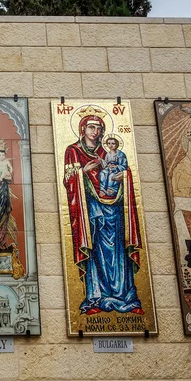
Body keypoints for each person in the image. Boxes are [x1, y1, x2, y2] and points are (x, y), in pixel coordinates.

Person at [63, 107, 143, 315]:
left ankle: (125, 296)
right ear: (83, 129)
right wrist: (84, 171)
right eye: (91, 127)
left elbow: (127, 172)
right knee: (96, 249)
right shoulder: (73, 151)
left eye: (99, 128)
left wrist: (124, 177)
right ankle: (96, 297)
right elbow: (67, 181)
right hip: (93, 211)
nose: (95, 132)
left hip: (114, 209)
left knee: (118, 249)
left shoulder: (108, 152)